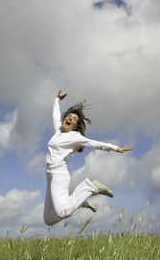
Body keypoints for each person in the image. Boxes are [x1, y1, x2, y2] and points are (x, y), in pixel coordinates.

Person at [43, 90, 133, 226]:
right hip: (49, 176)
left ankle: (91, 186)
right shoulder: (58, 131)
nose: (70, 119)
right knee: (49, 219)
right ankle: (81, 202)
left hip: (59, 175)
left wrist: (114, 148)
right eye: (69, 117)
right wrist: (56, 100)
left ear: (75, 126)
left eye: (74, 119)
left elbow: (93, 143)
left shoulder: (74, 136)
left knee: (63, 212)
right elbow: (55, 116)